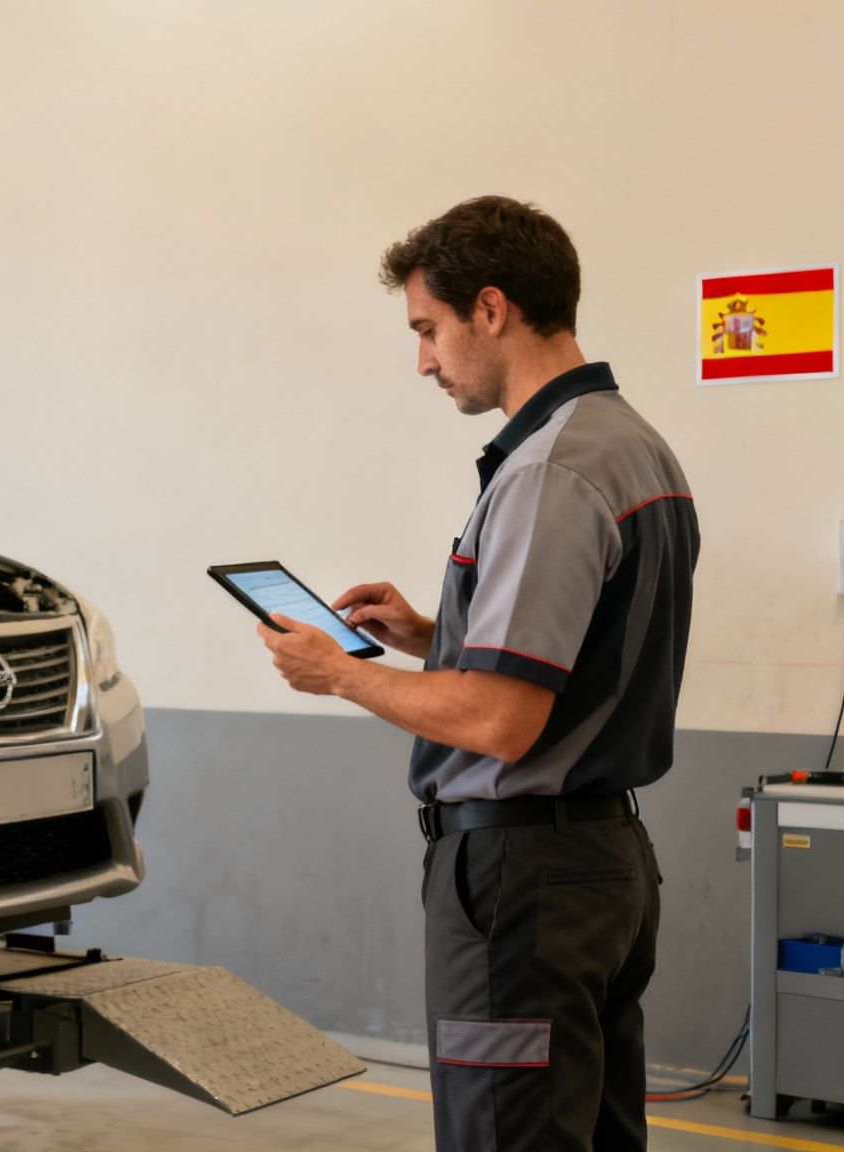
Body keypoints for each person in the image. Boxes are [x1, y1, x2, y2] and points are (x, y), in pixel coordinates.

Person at [257, 195, 698, 1152]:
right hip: (603, 866)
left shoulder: (549, 471)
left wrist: (337, 674)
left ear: (490, 309)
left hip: (522, 884)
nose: (424, 361)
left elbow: (501, 721)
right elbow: (585, 658)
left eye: (428, 329)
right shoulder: (632, 444)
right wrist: (430, 634)